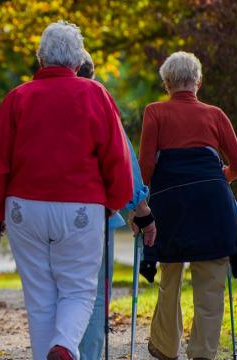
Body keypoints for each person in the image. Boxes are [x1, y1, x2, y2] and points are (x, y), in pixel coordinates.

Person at [0, 21, 133, 360]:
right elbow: (116, 157)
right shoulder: (96, 95)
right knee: (77, 290)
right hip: (80, 206)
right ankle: (65, 346)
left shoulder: (18, 98)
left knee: (39, 297)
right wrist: (112, 203)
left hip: (24, 208)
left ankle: (56, 350)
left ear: (41, 59)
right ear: (78, 61)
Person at [139, 51, 237, 360]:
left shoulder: (155, 112)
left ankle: (165, 346)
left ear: (167, 83)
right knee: (211, 282)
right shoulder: (215, 114)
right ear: (198, 81)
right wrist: (219, 177)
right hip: (213, 202)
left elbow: (146, 165)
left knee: (169, 276)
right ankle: (202, 353)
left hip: (170, 203)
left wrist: (141, 203)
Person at [76, 50, 156, 360]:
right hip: (99, 213)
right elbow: (123, 161)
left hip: (47, 211)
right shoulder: (99, 102)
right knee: (95, 295)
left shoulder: (36, 99)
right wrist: (141, 211)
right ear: (92, 76)